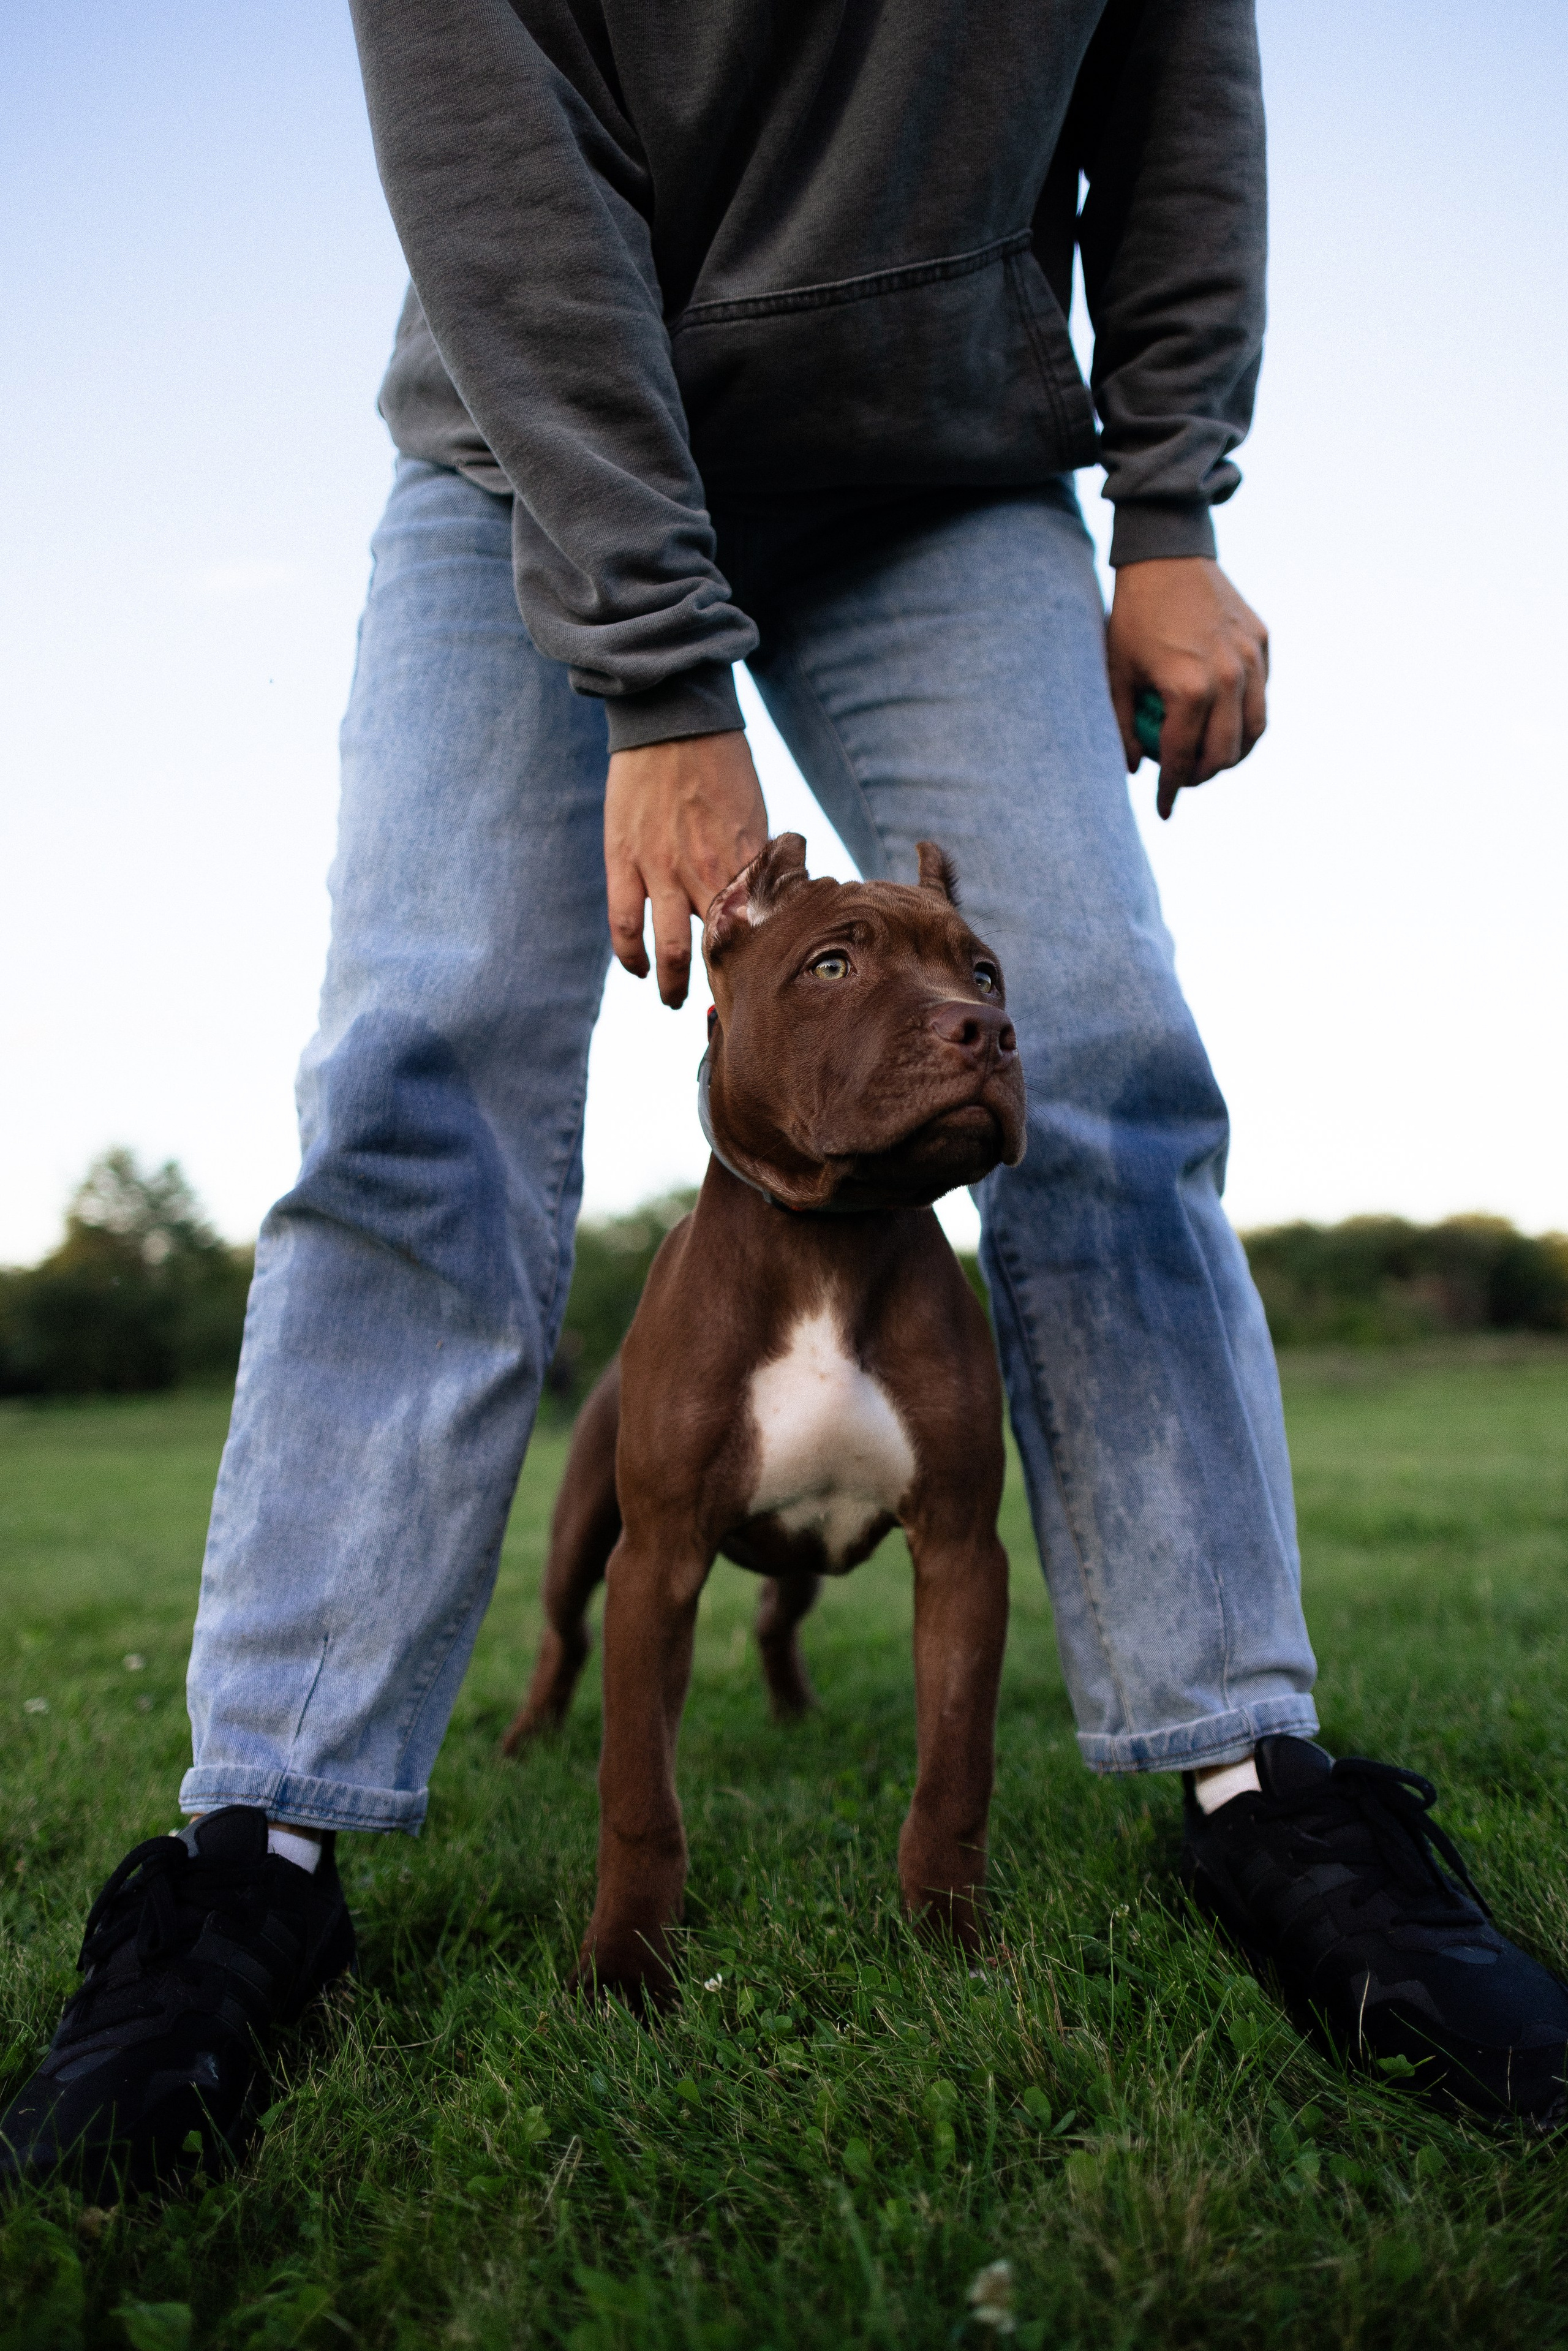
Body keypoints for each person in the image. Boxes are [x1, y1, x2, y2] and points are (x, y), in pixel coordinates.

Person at [4, 0, 1563, 2191]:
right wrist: (656, 664)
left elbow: (1179, 82)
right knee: (419, 1070)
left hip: (942, 474)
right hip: (528, 462)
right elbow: (496, 172)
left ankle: (1256, 1782)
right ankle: (259, 1843)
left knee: (1101, 1046)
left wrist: (1174, 493)